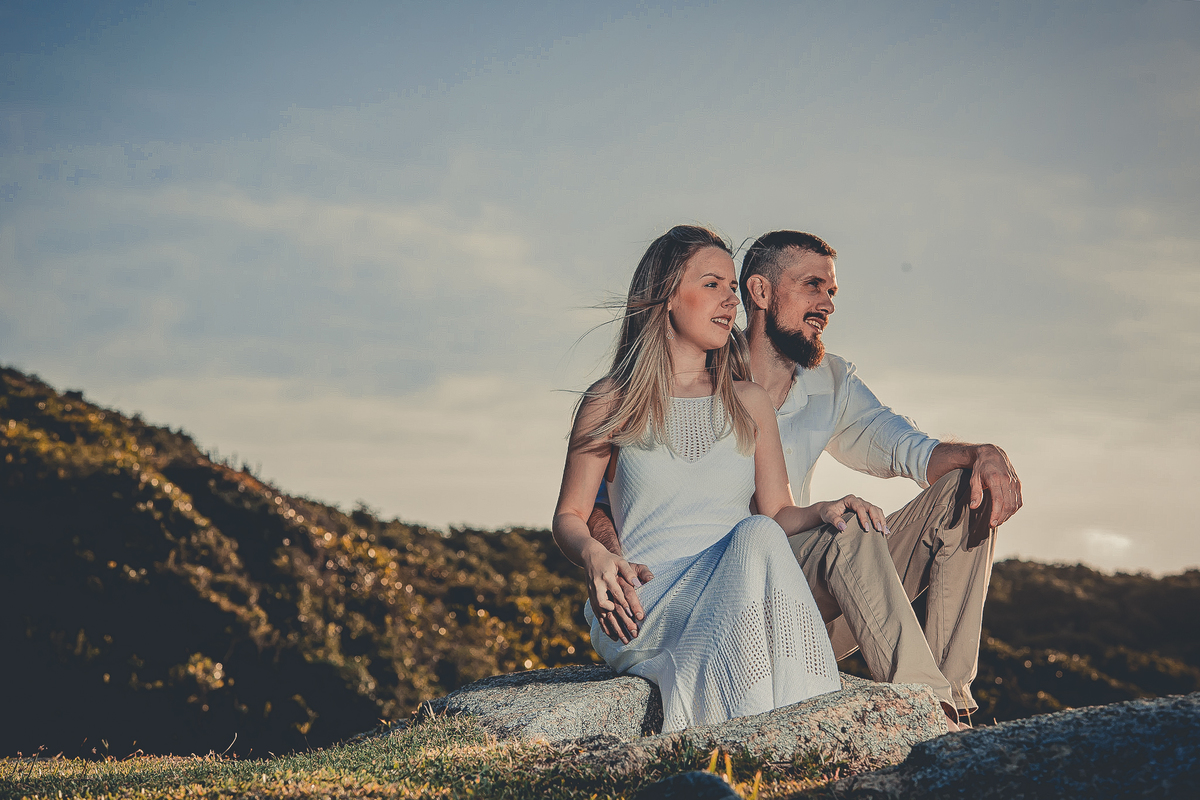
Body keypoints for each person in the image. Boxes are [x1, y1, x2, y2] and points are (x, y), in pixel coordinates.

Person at [589, 230, 1023, 732]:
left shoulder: (833, 381)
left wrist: (981, 454)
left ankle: (951, 706)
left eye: (832, 292)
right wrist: (608, 560)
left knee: (964, 492)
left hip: (816, 586)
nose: (827, 305)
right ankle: (924, 712)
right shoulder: (698, 361)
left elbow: (911, 450)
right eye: (813, 286)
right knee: (845, 537)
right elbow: (606, 496)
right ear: (761, 292)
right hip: (712, 589)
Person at [553, 225, 881, 733]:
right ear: (666, 296)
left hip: (734, 588)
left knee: (757, 532)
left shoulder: (748, 401)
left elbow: (776, 511)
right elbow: (570, 515)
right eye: (713, 284)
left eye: (733, 287)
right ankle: (761, 741)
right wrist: (597, 555)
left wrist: (824, 510)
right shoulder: (610, 400)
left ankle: (786, 734)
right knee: (756, 536)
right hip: (645, 604)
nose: (731, 300)